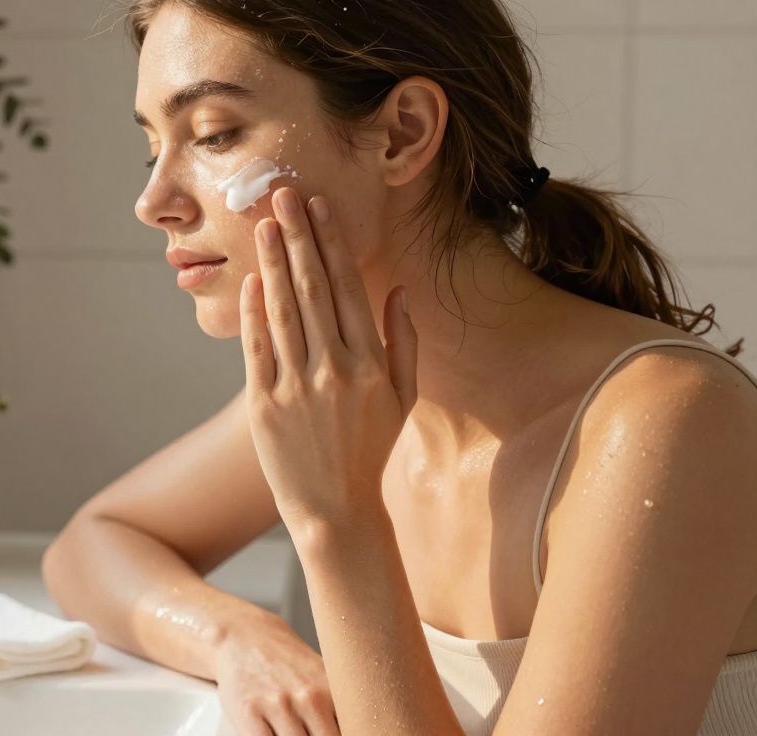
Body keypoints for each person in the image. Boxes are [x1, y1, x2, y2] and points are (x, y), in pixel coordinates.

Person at [41, 2, 757, 734]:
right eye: (152, 147)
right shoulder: (354, 390)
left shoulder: (668, 424)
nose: (152, 202)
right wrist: (236, 640)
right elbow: (94, 543)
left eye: (213, 135)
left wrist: (338, 523)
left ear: (403, 132)